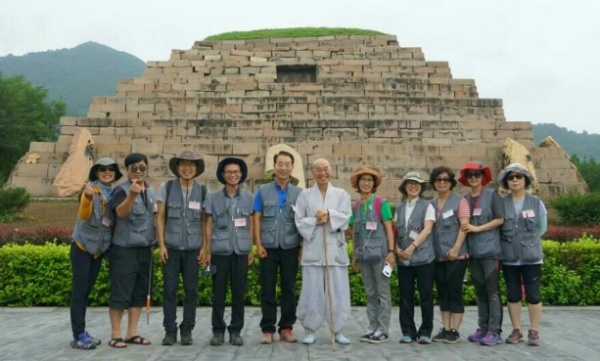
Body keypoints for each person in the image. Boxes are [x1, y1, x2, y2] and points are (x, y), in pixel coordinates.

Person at [294, 158, 352, 345]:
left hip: (335, 250)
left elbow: (346, 217)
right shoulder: (305, 195)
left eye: (325, 169)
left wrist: (329, 214)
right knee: (311, 291)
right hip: (313, 251)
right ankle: (310, 329)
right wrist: (315, 220)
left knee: (338, 291)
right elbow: (299, 220)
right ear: (313, 173)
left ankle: (338, 329)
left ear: (331, 171)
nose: (322, 173)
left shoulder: (342, 194)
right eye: (318, 170)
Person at [69, 157, 122, 349]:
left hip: (99, 249)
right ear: (96, 173)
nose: (107, 172)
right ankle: (78, 334)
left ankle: (81, 332)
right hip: (83, 247)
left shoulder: (115, 192)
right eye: (102, 170)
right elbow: (83, 215)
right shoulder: (90, 189)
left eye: (110, 169)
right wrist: (88, 198)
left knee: (86, 292)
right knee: (79, 291)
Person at [156, 150, 207, 346]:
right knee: (169, 290)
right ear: (177, 168)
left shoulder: (202, 191)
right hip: (171, 247)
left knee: (191, 290)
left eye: (191, 165)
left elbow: (204, 221)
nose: (187, 168)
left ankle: (187, 329)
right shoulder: (167, 187)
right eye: (183, 164)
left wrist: (205, 247)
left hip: (193, 249)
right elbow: (160, 217)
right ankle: (170, 329)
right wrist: (161, 245)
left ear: (196, 169)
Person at [202, 157, 254, 346]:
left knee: (239, 293)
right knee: (219, 293)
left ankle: (235, 331)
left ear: (241, 175)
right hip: (219, 250)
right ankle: (217, 331)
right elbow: (208, 223)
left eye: (236, 172)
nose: (233, 175)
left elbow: (251, 223)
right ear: (222, 175)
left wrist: (251, 248)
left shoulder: (249, 197)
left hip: (241, 250)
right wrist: (207, 249)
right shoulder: (212, 197)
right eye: (229, 172)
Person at [107, 152, 156, 348]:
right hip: (124, 249)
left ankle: (132, 332)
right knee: (121, 292)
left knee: (139, 293)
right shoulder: (121, 190)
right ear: (126, 170)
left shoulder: (151, 191)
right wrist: (132, 195)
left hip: (145, 248)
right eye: (134, 168)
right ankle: (116, 334)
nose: (138, 171)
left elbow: (156, 217)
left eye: (142, 168)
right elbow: (120, 212)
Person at [253, 151, 302, 344]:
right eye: (280, 164)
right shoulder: (262, 191)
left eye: (287, 164)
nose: (283, 168)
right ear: (274, 167)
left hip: (290, 246)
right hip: (268, 245)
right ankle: (267, 329)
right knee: (267, 288)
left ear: (292, 167)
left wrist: (302, 245)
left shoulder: (299, 193)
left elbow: (303, 221)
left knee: (289, 288)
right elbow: (256, 217)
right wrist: (258, 244)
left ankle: (286, 327)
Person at [498, 163, 547, 346]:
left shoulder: (536, 202)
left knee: (533, 294)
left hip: (532, 256)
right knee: (513, 294)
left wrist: (528, 242)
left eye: (519, 177)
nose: (515, 180)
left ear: (525, 180)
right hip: (510, 257)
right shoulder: (502, 203)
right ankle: (516, 329)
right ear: (506, 182)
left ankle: (534, 331)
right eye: (511, 177)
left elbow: (542, 228)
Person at [458, 161, 505, 346]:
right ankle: (483, 327)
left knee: (492, 291)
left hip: (491, 251)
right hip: (474, 252)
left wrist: (478, 228)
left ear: (482, 177)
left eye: (477, 174)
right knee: (480, 291)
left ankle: (495, 331)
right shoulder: (465, 199)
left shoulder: (492, 195)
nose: (473, 178)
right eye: (470, 175)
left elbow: (500, 219)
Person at [349, 166, 396, 344]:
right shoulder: (356, 206)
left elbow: (389, 229)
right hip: (364, 257)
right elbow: (355, 233)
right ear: (358, 184)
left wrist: (391, 253)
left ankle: (382, 329)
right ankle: (372, 327)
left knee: (383, 293)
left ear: (374, 184)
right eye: (363, 180)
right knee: (370, 293)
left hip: (381, 256)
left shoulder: (380, 203)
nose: (366, 183)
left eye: (369, 180)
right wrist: (354, 256)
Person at [429, 166, 470, 344]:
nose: (442, 182)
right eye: (438, 179)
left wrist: (456, 248)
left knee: (454, 291)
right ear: (434, 183)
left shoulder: (460, 201)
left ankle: (455, 329)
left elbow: (464, 226)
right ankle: (445, 328)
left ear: (451, 182)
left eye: (446, 179)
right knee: (443, 292)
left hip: (457, 255)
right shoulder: (431, 204)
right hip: (438, 255)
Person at [394, 171, 436, 345]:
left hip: (423, 258)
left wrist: (411, 248)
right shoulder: (400, 208)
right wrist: (396, 249)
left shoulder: (428, 206)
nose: (413, 186)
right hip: (404, 259)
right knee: (405, 296)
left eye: (417, 184)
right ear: (405, 187)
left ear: (421, 187)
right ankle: (408, 332)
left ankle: (425, 331)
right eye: (410, 183)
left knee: (426, 295)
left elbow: (427, 230)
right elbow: (395, 232)